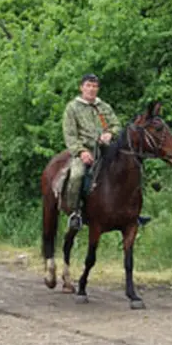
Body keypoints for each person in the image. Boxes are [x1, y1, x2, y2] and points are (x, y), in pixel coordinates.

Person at [62, 73, 121, 230]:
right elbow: (70, 135)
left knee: (128, 168)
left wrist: (110, 133)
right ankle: (75, 213)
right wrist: (81, 152)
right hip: (84, 151)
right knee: (77, 175)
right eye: (88, 85)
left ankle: (129, 212)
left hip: (106, 149)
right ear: (81, 88)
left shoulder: (104, 107)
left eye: (95, 86)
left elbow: (116, 125)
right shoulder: (72, 108)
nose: (92, 89)